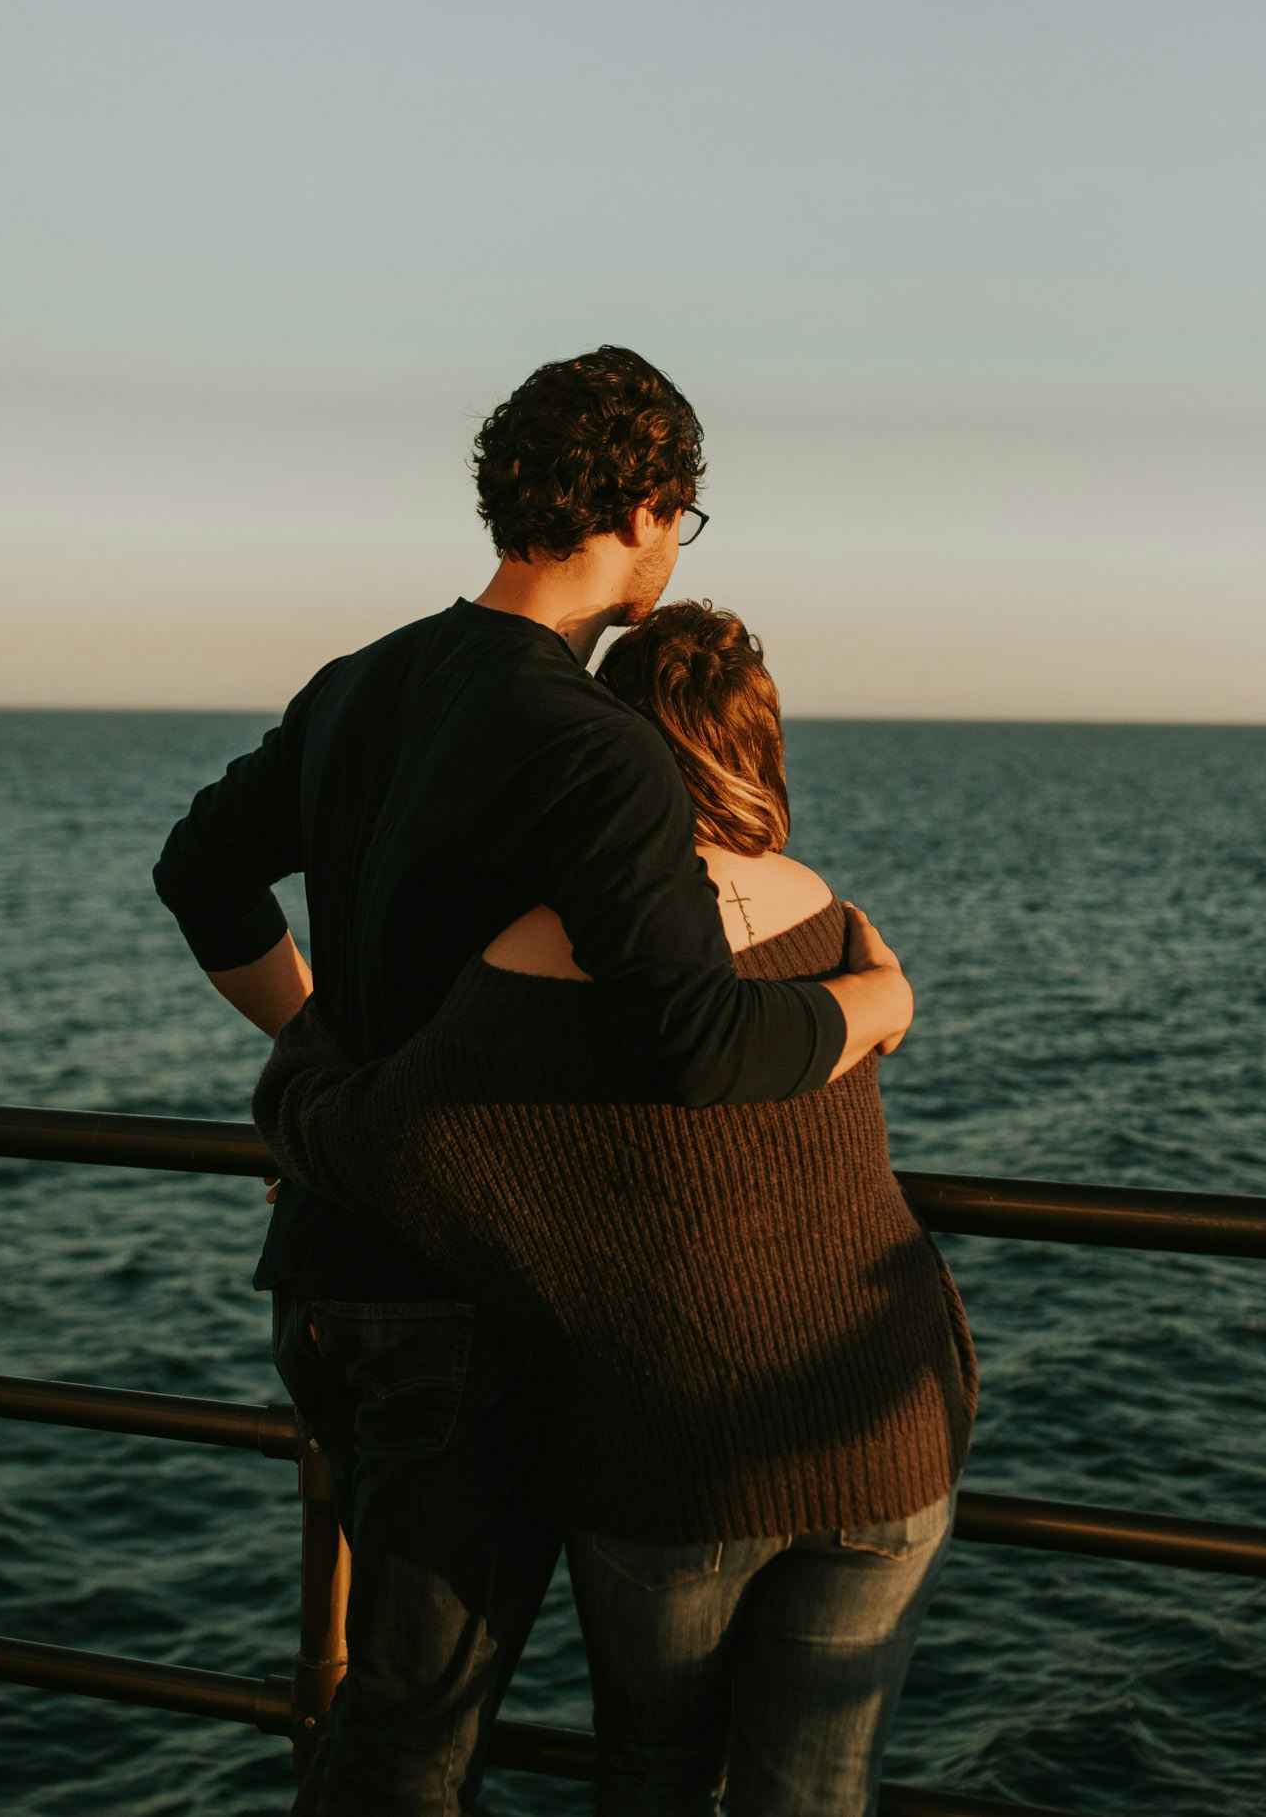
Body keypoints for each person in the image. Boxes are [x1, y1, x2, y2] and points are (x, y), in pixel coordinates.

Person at [152, 347, 915, 1816]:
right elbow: (699, 1042)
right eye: (681, 519)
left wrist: (317, 1041)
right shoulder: (597, 750)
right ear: (638, 509)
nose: (674, 551)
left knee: (394, 1716)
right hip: (451, 1294)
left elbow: (201, 871)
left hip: (320, 1275)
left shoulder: (360, 681)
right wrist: (869, 1002)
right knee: (411, 1748)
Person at [254, 599, 978, 1817]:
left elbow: (399, 1148)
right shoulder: (828, 912)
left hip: (675, 1459)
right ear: (762, 749)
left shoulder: (539, 949)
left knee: (655, 1774)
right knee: (817, 1798)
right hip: (884, 1426)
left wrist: (300, 1072)